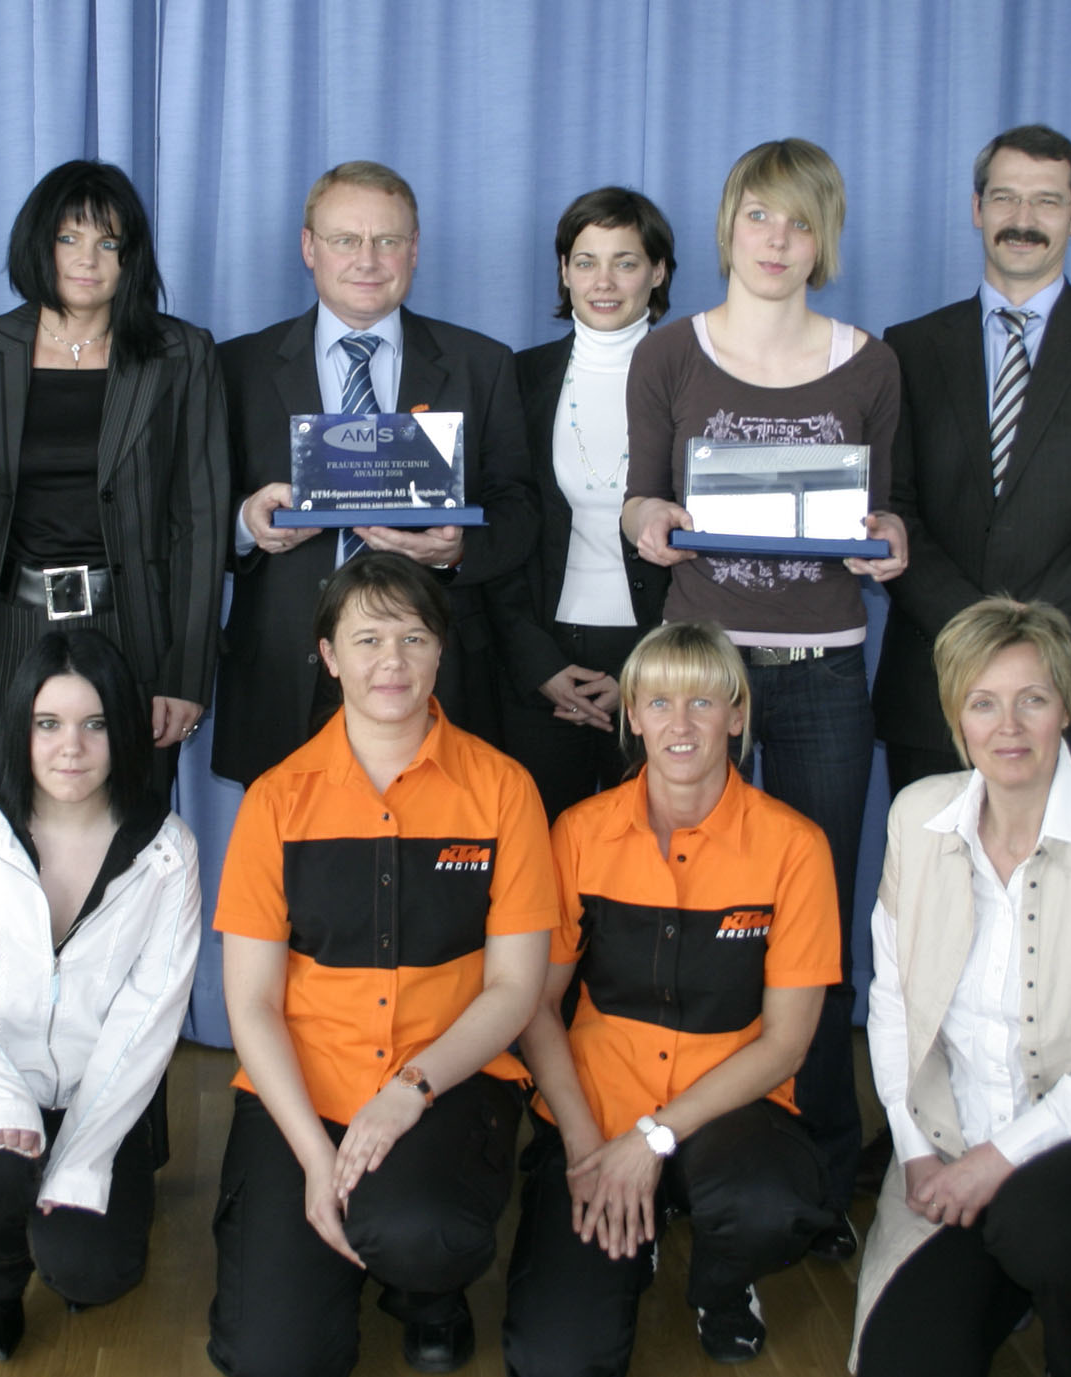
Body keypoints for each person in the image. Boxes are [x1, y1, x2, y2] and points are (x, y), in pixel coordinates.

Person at [620, 138, 907, 1256]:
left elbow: (887, 518)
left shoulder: (867, 364)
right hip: (700, 669)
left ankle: (820, 1167)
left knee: (812, 923)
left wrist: (888, 540)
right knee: (682, 912)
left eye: (797, 222)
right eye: (756, 218)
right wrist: (647, 523)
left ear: (821, 237)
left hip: (826, 670)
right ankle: (674, 1143)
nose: (776, 242)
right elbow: (643, 500)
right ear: (728, 226)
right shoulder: (667, 352)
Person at [207, 553, 555, 1376]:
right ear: (329, 654)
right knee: (272, 1358)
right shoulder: (276, 799)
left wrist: (411, 1088)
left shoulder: (505, 791)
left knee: (424, 1234)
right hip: (305, 1089)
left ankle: (427, 1288)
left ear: (441, 651)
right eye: (366, 638)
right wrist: (317, 1158)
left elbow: (515, 988)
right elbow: (251, 1004)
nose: (391, 661)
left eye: (413, 636)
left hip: (445, 1081)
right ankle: (344, 1236)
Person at [853, 597, 1071, 1377]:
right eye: (984, 703)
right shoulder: (916, 817)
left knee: (1041, 1223)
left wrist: (997, 1160)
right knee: (901, 1362)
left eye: (1032, 699)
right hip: (950, 1142)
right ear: (955, 718)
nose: (1008, 726)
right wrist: (915, 1150)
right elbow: (894, 1004)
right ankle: (1010, 1280)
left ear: (1066, 707)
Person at [502, 621, 839, 1371]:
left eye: (702, 702)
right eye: (657, 703)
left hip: (731, 1113)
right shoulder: (578, 832)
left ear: (738, 713)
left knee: (771, 1208)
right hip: (596, 1111)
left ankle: (720, 1285)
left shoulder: (795, 847)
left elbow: (786, 1042)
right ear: (631, 714)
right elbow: (533, 1007)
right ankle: (636, 1224)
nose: (679, 725)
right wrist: (590, 1146)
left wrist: (653, 1138)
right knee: (555, 1357)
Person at [0, 630, 200, 1362]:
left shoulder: (166, 850)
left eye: (95, 723)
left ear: (123, 729)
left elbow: (147, 1023)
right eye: (49, 723)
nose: (72, 747)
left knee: (92, 1273)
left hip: (101, 1093)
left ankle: (64, 1206)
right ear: (20, 729)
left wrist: (80, 1156)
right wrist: (5, 1107)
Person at [873, 125, 1071, 796]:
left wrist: (1025, 635)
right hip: (935, 686)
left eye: (1046, 201)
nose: (1023, 221)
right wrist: (975, 635)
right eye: (1006, 198)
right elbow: (891, 507)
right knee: (936, 897)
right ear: (977, 209)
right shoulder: (909, 346)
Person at [212, 160, 537, 788]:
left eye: (387, 240)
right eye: (346, 240)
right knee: (289, 879)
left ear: (414, 251)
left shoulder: (482, 364)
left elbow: (519, 510)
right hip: (286, 677)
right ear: (310, 248)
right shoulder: (236, 367)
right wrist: (246, 523)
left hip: (432, 677)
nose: (368, 259)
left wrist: (460, 548)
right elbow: (194, 513)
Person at [0, 159, 229, 788]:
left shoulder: (181, 353)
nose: (87, 259)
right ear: (39, 243)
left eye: (108, 242)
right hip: (8, 631)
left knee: (128, 844)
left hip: (134, 632)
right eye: (69, 238)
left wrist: (185, 673)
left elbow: (199, 522)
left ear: (131, 257)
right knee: (17, 845)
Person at [487, 187, 673, 821]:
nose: (604, 280)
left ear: (658, 272)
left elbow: (713, 546)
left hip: (660, 664)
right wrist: (539, 663)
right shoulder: (516, 377)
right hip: (541, 662)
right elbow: (499, 532)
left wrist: (644, 670)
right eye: (585, 260)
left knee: (655, 867)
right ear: (564, 272)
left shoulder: (698, 375)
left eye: (625, 261)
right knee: (539, 873)